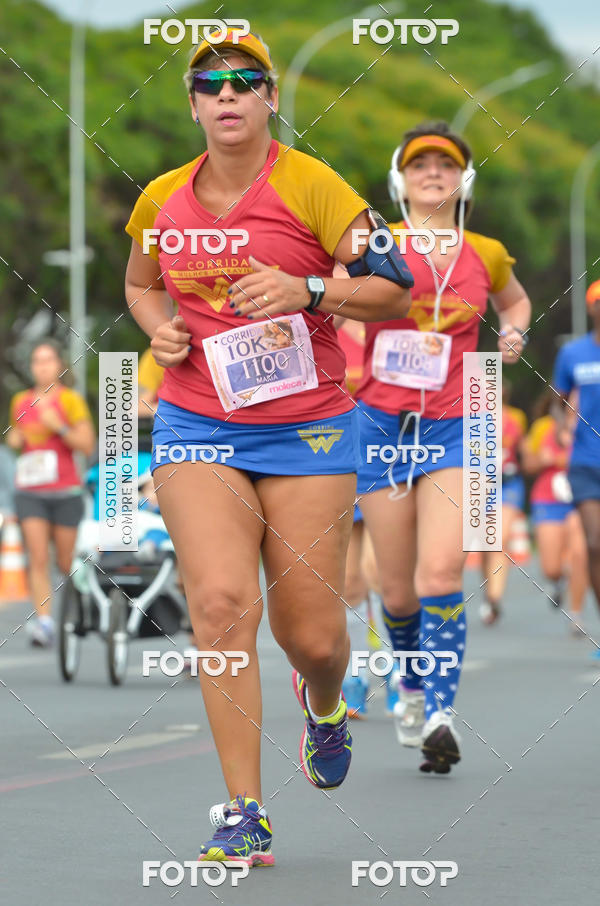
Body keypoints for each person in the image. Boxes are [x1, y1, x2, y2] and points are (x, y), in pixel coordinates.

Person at [124, 28, 412, 866]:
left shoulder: (314, 187)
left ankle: (324, 701)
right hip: (196, 423)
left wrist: (312, 288)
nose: (226, 95)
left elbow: (395, 290)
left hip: (308, 428)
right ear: (193, 104)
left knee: (313, 637)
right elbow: (140, 283)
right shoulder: (162, 202)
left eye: (244, 81)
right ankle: (243, 811)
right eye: (209, 84)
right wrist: (160, 332)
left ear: (270, 98)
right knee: (219, 606)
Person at [355, 122, 531, 772]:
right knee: (397, 593)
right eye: (421, 163)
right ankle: (408, 679)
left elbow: (515, 303)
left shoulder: (486, 251)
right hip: (378, 426)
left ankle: (439, 715)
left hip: (455, 426)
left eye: (447, 164)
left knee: (439, 574)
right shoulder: (376, 244)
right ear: (401, 179)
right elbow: (340, 307)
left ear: (464, 179)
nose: (435, 172)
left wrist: (512, 334)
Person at [6, 340, 95, 646]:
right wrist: (15, 438)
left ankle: (79, 603)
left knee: (66, 561)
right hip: (31, 490)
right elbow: (17, 438)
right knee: (39, 557)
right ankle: (44, 621)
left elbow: (86, 445)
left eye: (47, 360)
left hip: (66, 490)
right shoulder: (20, 400)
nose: (42, 366)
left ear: (59, 365)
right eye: (36, 361)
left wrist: (59, 427)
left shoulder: (69, 400)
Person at [553, 279, 600, 648]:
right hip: (585, 461)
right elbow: (558, 399)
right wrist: (561, 429)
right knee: (595, 543)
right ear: (590, 307)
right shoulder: (573, 353)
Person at [521, 391, 588, 632]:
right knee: (551, 567)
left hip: (583, 499)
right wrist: (543, 459)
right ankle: (558, 581)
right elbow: (527, 464)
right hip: (548, 499)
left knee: (579, 551)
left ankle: (576, 613)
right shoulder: (543, 427)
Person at [479, 380, 527, 625]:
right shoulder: (470, 416)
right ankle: (489, 593)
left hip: (508, 482)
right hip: (479, 483)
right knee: (484, 544)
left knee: (498, 539)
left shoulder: (516, 417)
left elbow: (522, 450)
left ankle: (494, 599)